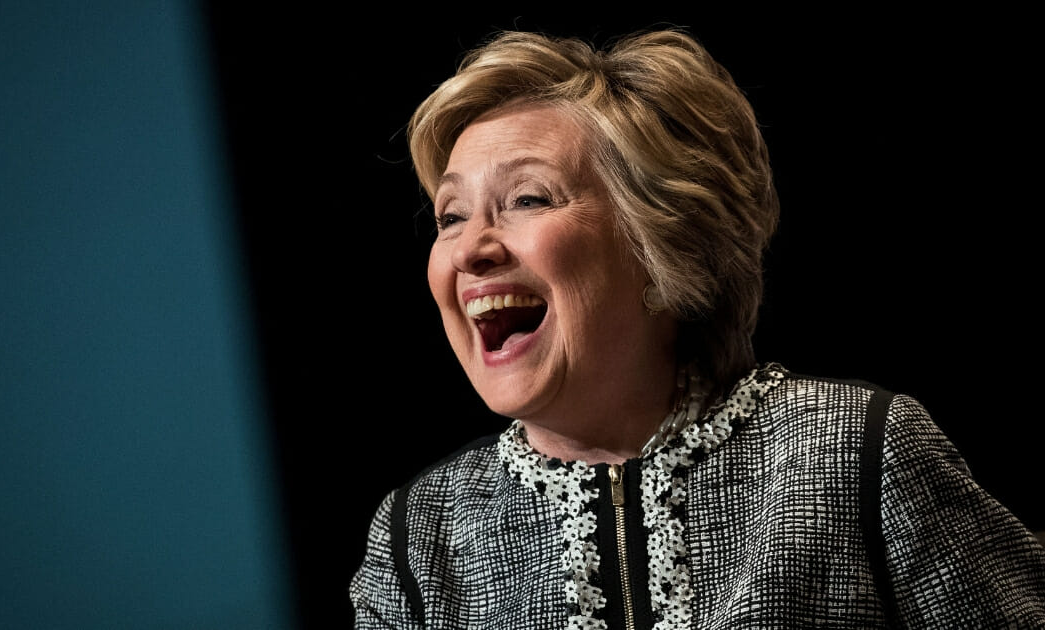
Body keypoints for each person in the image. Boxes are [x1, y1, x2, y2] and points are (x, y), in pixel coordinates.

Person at [349, 26, 1045, 629]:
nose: (471, 249)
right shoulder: (421, 539)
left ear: (662, 247)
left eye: (527, 199)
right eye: (450, 216)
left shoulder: (851, 456)